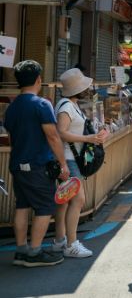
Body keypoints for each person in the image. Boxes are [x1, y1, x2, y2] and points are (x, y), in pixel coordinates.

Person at [6, 60, 69, 267]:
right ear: (39, 80)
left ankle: (21, 250)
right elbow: (52, 137)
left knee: (22, 206)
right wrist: (63, 164)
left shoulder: (12, 106)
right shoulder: (42, 104)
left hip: (17, 164)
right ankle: (34, 253)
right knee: (44, 207)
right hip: (37, 165)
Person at [53, 68, 109, 258]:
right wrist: (90, 139)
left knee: (65, 201)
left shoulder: (70, 104)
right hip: (68, 158)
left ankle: (60, 240)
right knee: (78, 199)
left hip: (68, 158)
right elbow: (61, 132)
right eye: (84, 85)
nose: (87, 88)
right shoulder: (67, 106)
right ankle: (71, 244)